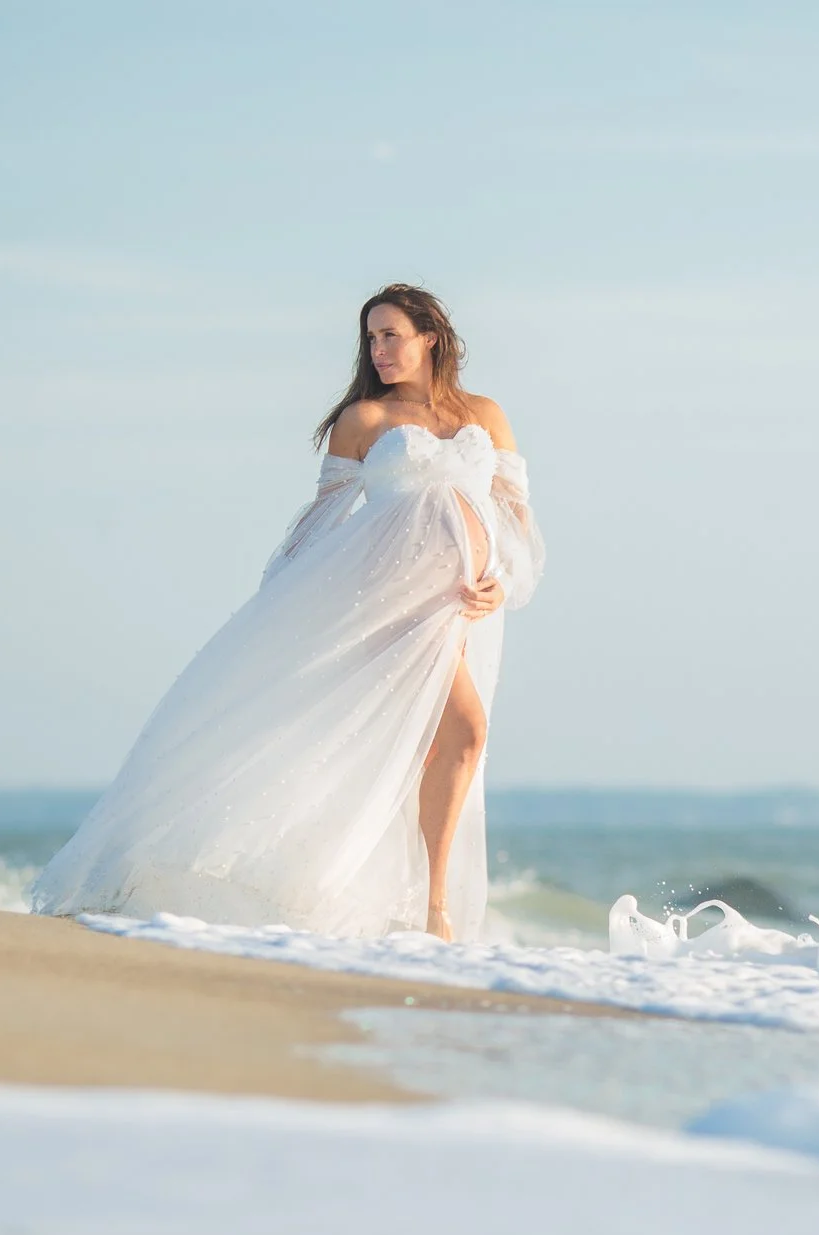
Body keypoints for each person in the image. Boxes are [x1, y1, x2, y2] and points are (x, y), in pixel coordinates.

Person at [30, 284, 544, 941]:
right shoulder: (363, 422)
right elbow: (322, 525)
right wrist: (283, 610)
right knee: (464, 732)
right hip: (383, 605)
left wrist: (499, 580)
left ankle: (409, 901)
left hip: (456, 610)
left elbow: (515, 519)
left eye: (391, 335)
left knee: (439, 744)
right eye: (371, 338)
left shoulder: (485, 414)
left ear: (430, 338)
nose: (379, 350)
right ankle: (431, 911)